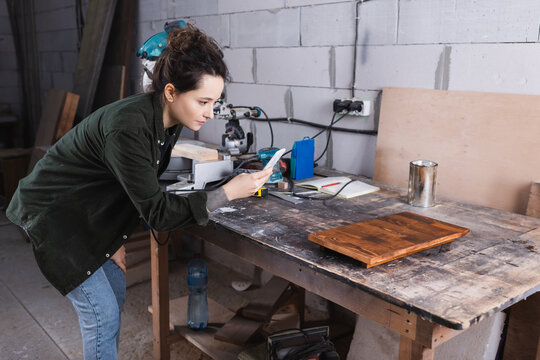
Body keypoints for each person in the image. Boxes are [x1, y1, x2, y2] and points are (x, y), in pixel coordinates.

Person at [6, 24, 272, 359]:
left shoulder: (169, 120)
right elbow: (158, 212)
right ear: (172, 92)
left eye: (215, 102)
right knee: (101, 315)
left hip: (87, 209)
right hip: (54, 214)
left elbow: (129, 183)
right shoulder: (129, 127)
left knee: (115, 291)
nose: (210, 113)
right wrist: (229, 192)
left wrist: (113, 239)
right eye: (203, 101)